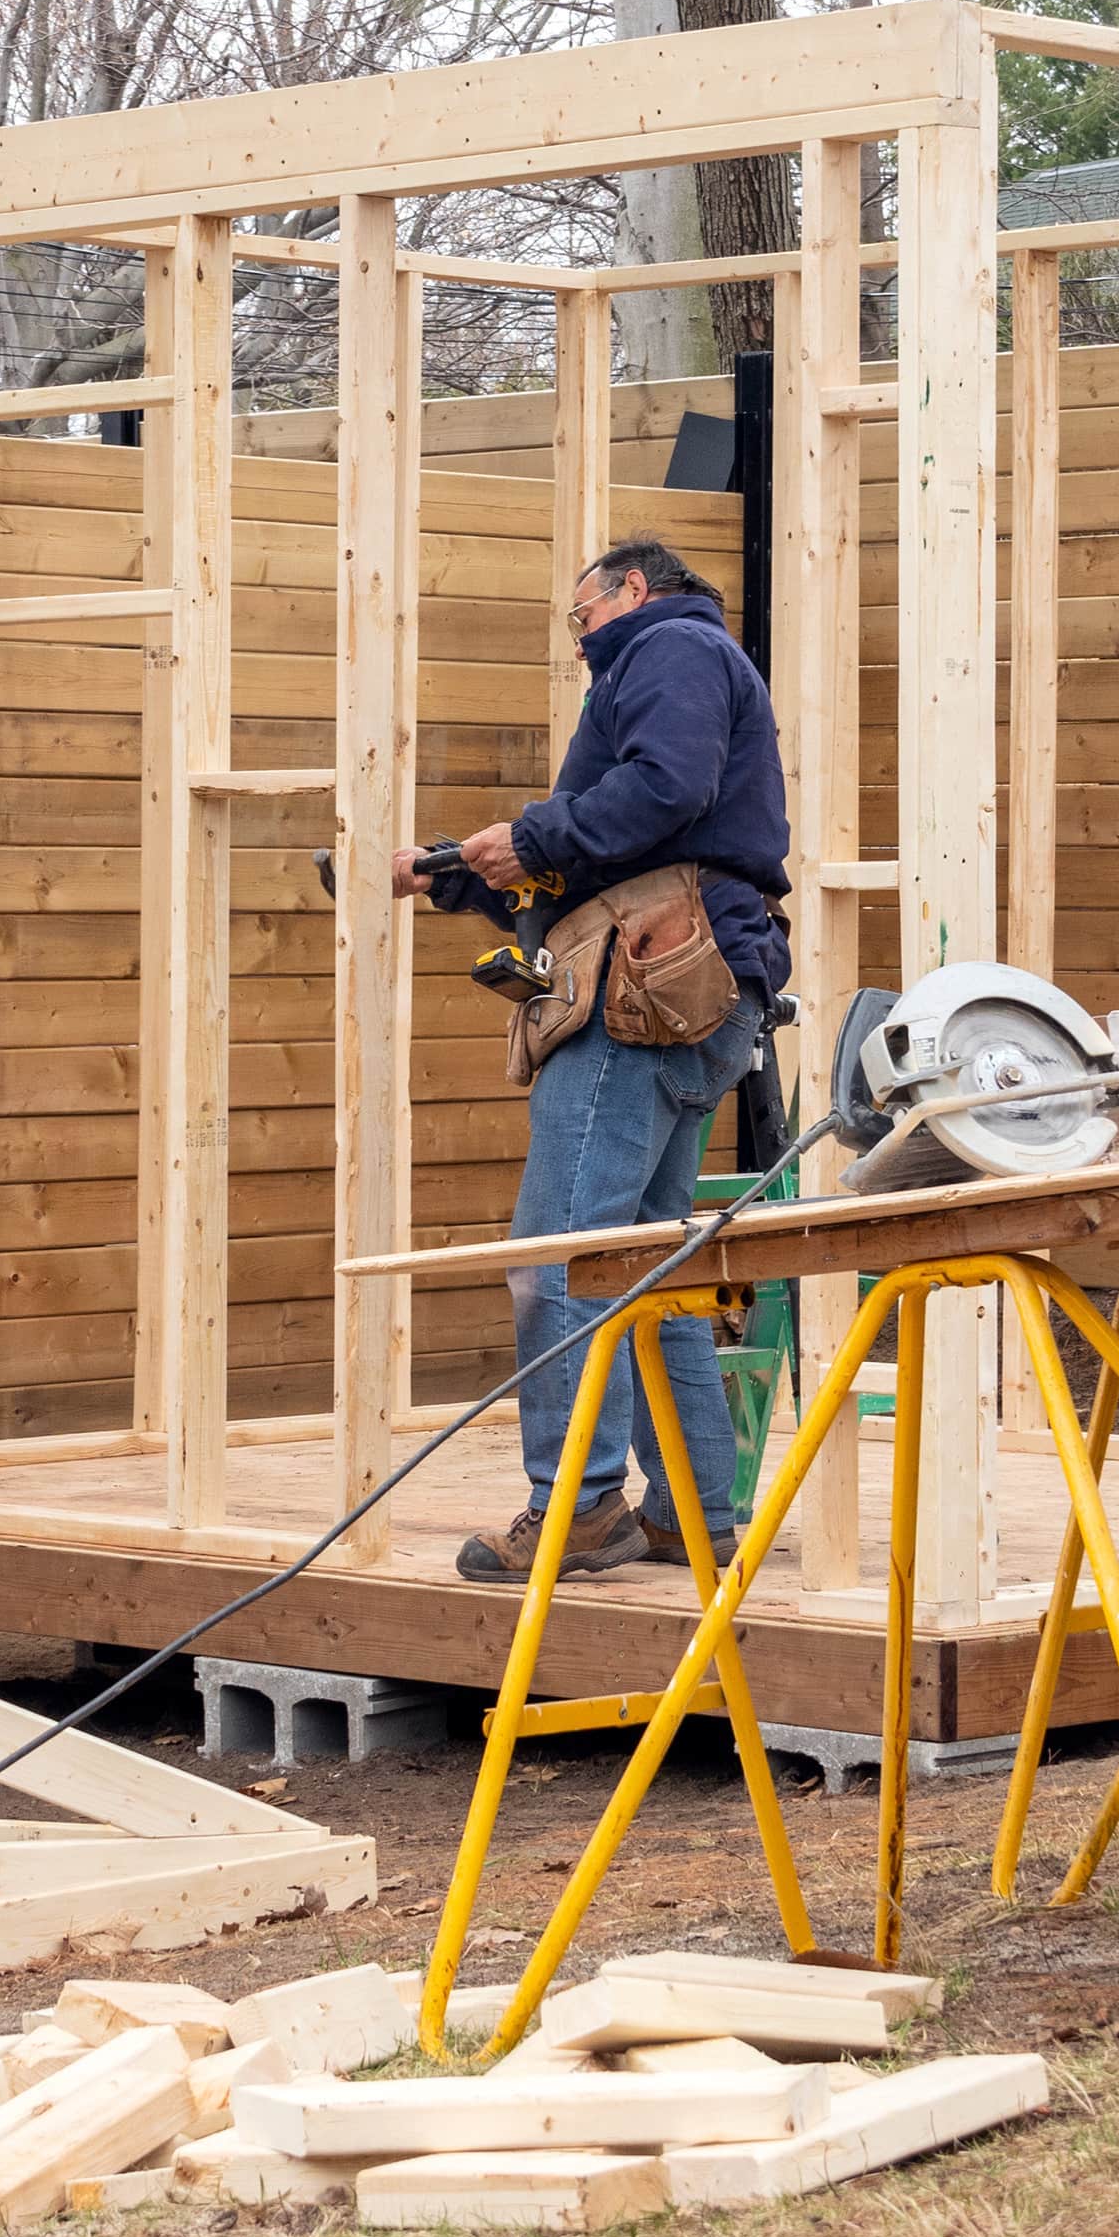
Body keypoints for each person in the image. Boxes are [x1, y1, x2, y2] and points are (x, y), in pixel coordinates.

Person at [394, 537, 790, 1582]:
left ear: (634, 588)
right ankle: (691, 1514)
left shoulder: (668, 648)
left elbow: (661, 791)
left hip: (645, 992)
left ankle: (574, 1504)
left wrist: (532, 833)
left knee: (561, 1255)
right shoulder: (672, 665)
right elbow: (609, 851)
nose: (581, 644)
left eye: (584, 617)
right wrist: (457, 874)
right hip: (696, 984)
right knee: (646, 1268)